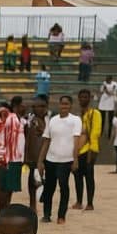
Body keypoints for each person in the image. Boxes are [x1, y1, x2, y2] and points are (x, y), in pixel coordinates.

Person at [36, 95, 83, 224]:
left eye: (66, 104)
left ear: (71, 105)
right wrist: (40, 161)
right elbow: (46, 140)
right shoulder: (53, 120)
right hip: (51, 159)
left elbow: (76, 140)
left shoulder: (75, 120)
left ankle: (61, 215)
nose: (64, 106)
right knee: (49, 188)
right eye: (62, 104)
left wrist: (75, 159)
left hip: (66, 160)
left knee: (63, 186)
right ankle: (47, 214)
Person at [0, 98, 25, 211]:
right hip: (5, 160)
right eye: (22, 105)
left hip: (16, 160)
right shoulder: (8, 116)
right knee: (2, 192)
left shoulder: (20, 120)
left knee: (9, 191)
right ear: (16, 106)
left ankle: (5, 213)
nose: (24, 107)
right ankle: (1, 214)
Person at [73, 88, 102, 211]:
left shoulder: (95, 114)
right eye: (81, 97)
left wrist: (92, 151)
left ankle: (90, 203)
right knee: (77, 176)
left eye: (85, 97)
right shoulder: (77, 115)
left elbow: (95, 133)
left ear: (89, 99)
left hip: (88, 150)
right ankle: (79, 201)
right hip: (78, 150)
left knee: (89, 177)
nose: (83, 99)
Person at [25, 96, 48, 214]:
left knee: (45, 180)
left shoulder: (48, 119)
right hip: (34, 155)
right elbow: (29, 139)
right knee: (33, 179)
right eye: (38, 106)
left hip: (47, 155)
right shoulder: (32, 121)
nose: (41, 109)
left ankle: (43, 201)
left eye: (43, 106)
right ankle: (32, 203)